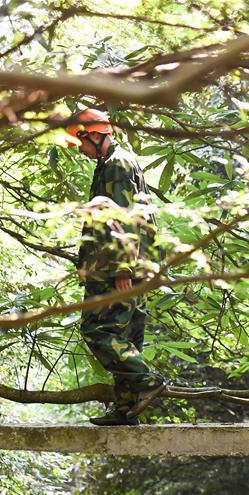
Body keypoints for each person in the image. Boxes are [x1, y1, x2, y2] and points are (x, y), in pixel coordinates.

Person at [65, 108, 165, 426]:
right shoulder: (109, 163)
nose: (78, 148)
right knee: (127, 336)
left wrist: (124, 267)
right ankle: (126, 406)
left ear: (95, 136)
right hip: (126, 264)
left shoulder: (118, 164)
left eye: (79, 140)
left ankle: (148, 381)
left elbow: (123, 217)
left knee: (97, 330)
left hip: (122, 266)